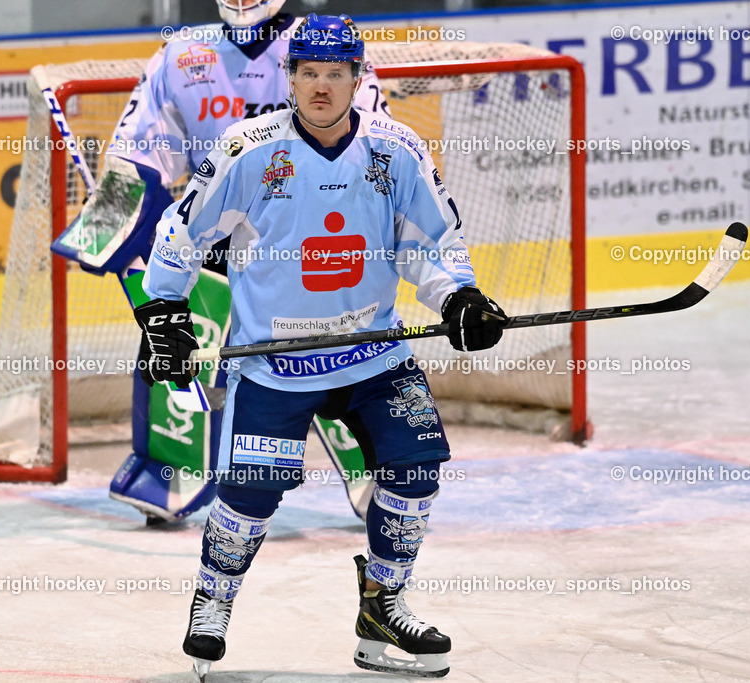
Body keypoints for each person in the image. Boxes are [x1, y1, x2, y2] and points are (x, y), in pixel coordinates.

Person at [133, 14, 506, 680]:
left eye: (337, 74)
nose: (323, 88)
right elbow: (182, 231)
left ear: (359, 78)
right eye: (310, 74)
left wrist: (460, 297)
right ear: (291, 77)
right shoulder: (248, 150)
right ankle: (212, 601)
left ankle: (383, 606)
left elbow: (433, 244)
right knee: (251, 492)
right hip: (274, 362)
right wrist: (165, 307)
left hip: (375, 353)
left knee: (416, 468)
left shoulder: (397, 151)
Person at [98, 0, 389, 524]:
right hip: (212, 235)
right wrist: (121, 220)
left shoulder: (320, 43)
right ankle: (174, 471)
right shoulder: (182, 53)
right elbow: (139, 154)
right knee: (179, 350)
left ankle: (379, 467)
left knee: (337, 356)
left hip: (309, 242)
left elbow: (373, 143)